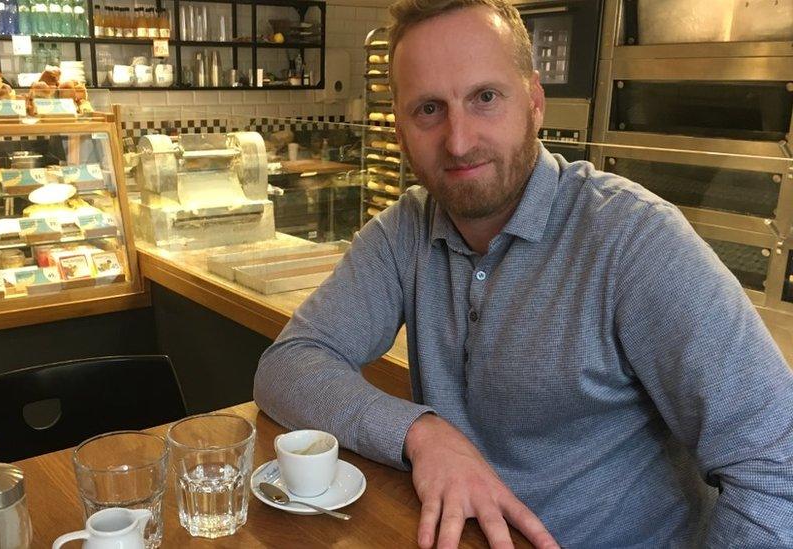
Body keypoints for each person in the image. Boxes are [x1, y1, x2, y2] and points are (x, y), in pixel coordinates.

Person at [253, 0, 793, 547]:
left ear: (534, 103)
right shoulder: (403, 235)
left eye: (485, 98)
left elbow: (778, 467)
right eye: (428, 109)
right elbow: (289, 365)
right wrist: (421, 432)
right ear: (399, 128)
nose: (459, 141)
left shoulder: (634, 241)